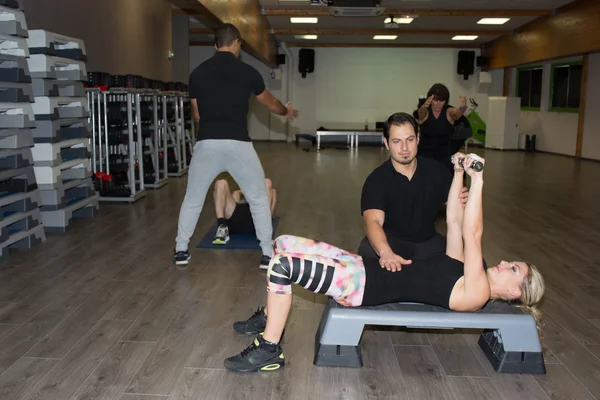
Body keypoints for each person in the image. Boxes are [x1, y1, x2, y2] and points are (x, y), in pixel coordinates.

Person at [223, 152, 546, 373]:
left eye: (513, 269)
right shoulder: (463, 270)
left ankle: (269, 348)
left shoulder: (476, 292)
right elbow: (456, 223)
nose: (504, 263)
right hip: (363, 267)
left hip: (361, 287)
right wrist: (459, 171)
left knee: (281, 266)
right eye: (511, 262)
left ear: (515, 292)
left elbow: (474, 234)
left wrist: (479, 181)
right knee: (283, 243)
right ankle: (268, 314)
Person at [173, 23, 298, 269]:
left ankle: (180, 250)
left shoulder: (197, 73)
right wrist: (286, 111)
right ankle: (265, 255)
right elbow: (271, 103)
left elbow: (197, 114)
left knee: (192, 199)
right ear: (237, 43)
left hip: (207, 143)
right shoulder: (248, 72)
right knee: (259, 198)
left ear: (215, 45)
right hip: (238, 144)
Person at [358, 112, 468, 274]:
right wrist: (385, 253)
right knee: (368, 256)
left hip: (429, 243)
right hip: (392, 243)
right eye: (397, 141)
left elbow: (457, 215)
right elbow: (373, 222)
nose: (404, 148)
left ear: (418, 138)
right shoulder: (376, 180)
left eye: (409, 139)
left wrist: (464, 201)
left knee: (473, 264)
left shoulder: (437, 171)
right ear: (387, 143)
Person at [212, 178, 277, 252]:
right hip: (235, 217)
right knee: (220, 183)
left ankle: (263, 231)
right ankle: (222, 226)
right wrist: (245, 191)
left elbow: (272, 201)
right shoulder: (237, 195)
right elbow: (235, 195)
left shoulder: (267, 194)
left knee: (267, 182)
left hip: (257, 221)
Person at [416, 83, 467, 172]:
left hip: (444, 159)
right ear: (430, 100)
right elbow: (420, 114)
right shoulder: (425, 112)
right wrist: (424, 106)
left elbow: (457, 115)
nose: (438, 104)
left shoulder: (448, 112)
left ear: (445, 101)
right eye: (435, 100)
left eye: (442, 101)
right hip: (424, 158)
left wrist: (463, 107)